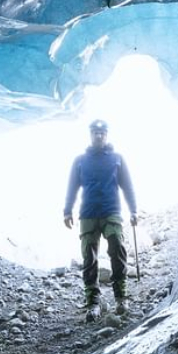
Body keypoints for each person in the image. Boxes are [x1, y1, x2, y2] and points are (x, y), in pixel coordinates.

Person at [63, 119, 138, 313]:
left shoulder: (117, 158)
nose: (99, 135)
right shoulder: (80, 160)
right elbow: (71, 186)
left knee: (117, 247)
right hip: (87, 214)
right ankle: (93, 302)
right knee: (89, 256)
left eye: (102, 132)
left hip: (111, 211)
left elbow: (127, 185)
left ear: (107, 135)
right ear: (90, 135)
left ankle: (121, 297)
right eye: (95, 132)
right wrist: (67, 210)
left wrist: (134, 210)